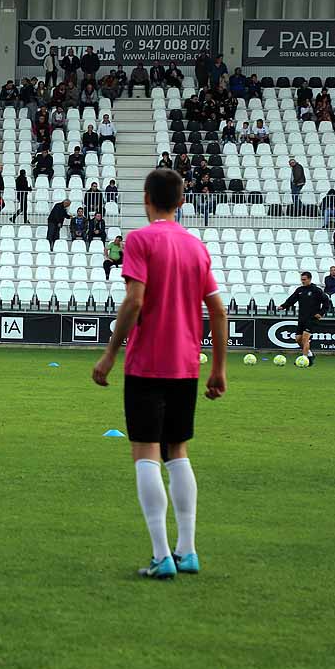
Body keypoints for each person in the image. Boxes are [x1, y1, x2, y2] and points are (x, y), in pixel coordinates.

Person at [92, 167, 227, 580]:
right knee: (178, 451)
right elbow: (219, 309)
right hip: (186, 366)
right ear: (182, 201)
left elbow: (134, 301)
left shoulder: (140, 240)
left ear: (147, 199)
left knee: (146, 452)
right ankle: (187, 550)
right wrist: (218, 369)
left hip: (148, 364)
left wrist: (111, 354)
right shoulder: (195, 246)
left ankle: (160, 555)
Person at [279, 271, 332, 366]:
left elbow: (326, 302)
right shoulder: (300, 290)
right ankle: (310, 355)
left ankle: (304, 360)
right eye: (302, 279)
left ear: (309, 279)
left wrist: (321, 313)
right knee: (298, 339)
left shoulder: (316, 290)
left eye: (304, 279)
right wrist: (283, 306)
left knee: (305, 339)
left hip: (312, 318)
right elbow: (292, 300)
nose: (303, 281)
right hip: (302, 318)